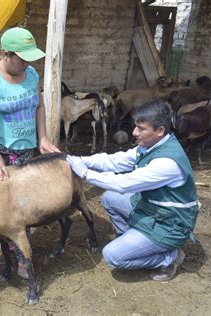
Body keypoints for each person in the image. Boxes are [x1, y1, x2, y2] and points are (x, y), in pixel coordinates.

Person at [66, 100, 199, 282]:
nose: (134, 133)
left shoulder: (167, 163)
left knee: (113, 256)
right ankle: (133, 242)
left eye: (141, 128)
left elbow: (124, 183)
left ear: (160, 130)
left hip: (169, 224)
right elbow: (116, 161)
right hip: (153, 210)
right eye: (135, 127)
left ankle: (169, 257)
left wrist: (85, 173)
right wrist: (78, 159)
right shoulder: (151, 146)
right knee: (111, 198)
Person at [0, 27, 60, 279]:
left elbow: (39, 106)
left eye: (29, 58)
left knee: (25, 201)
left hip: (27, 149)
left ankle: (8, 241)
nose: (26, 63)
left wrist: (42, 137)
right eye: (22, 58)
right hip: (2, 151)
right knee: (12, 206)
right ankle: (21, 257)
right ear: (4, 54)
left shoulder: (31, 73)